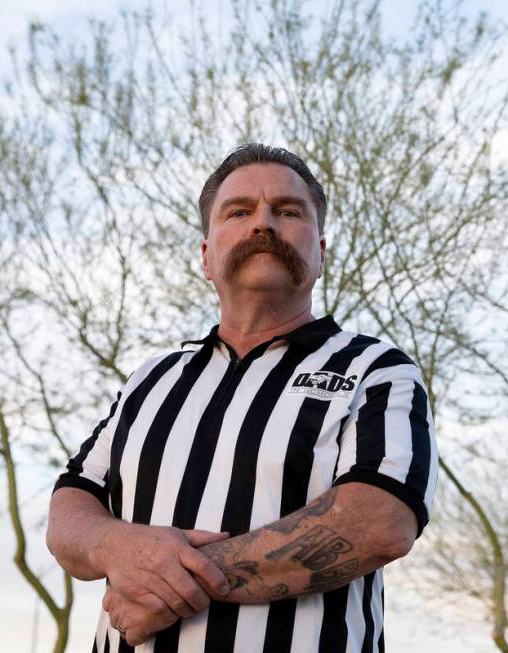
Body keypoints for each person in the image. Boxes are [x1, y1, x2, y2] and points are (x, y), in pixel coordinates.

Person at [47, 143, 438, 653]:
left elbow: (380, 522)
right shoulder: (152, 378)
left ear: (321, 253)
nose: (263, 224)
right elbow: (71, 506)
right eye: (239, 211)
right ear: (206, 256)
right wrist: (114, 546)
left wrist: (166, 581)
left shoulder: (375, 369)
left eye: (287, 211)